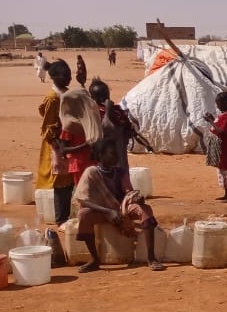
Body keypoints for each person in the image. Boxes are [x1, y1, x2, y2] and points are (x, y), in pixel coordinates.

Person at [74, 138, 164, 272]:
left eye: (116, 153)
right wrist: (107, 211)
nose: (116, 157)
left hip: (121, 209)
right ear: (101, 155)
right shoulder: (91, 172)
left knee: (145, 210)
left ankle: (151, 258)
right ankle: (94, 259)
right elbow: (82, 199)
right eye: (112, 154)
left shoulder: (121, 172)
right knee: (84, 214)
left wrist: (136, 198)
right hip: (101, 211)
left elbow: (128, 192)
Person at [37, 61, 76, 226]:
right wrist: (58, 146)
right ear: (54, 77)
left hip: (68, 142)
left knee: (69, 181)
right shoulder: (53, 98)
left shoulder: (66, 93)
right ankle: (61, 219)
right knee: (61, 181)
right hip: (57, 145)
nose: (68, 77)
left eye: (69, 74)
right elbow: (48, 125)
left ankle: (66, 215)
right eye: (65, 75)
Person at [89, 79, 152, 171]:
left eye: (104, 96)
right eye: (99, 98)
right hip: (103, 160)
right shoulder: (93, 114)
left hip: (118, 158)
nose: (103, 100)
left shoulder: (117, 112)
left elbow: (129, 131)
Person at [203, 91, 227, 203]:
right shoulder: (222, 115)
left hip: (223, 147)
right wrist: (213, 119)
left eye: (218, 103)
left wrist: (211, 122)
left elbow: (222, 131)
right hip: (219, 147)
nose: (217, 105)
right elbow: (218, 126)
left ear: (225, 103)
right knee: (221, 169)